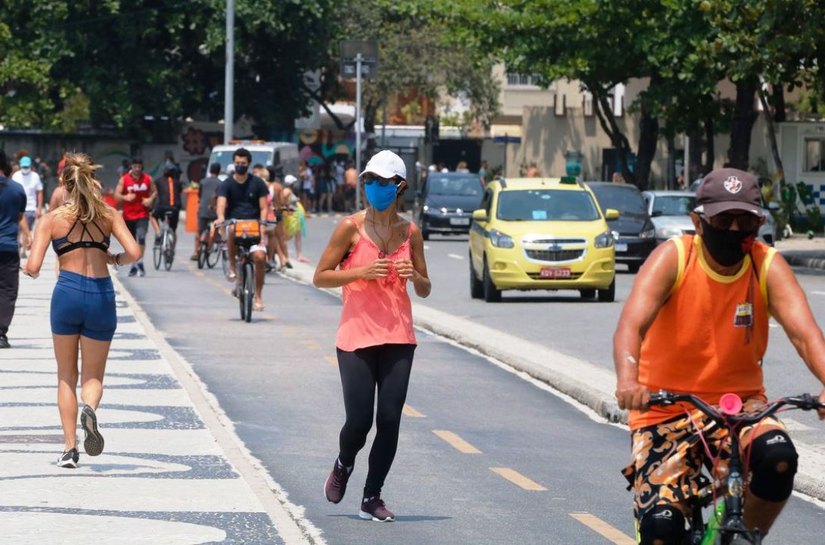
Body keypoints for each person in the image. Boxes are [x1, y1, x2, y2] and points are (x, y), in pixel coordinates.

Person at [613, 168, 825, 545]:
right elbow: (631, 325)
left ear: (759, 222)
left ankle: (742, 539)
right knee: (662, 530)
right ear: (698, 221)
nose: (733, 229)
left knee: (779, 458)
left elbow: (806, 337)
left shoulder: (766, 265)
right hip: (666, 409)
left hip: (741, 408)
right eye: (723, 218)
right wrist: (629, 381)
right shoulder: (674, 257)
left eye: (745, 219)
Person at [314, 149, 431, 522]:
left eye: (382, 182)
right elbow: (321, 276)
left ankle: (372, 496)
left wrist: (416, 277)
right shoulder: (350, 227)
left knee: (391, 419)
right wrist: (361, 271)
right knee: (360, 420)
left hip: (399, 335)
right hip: (356, 336)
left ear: (399, 187)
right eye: (369, 181)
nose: (374, 188)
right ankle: (344, 462)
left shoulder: (411, 232)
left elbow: (426, 288)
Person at [24, 152, 141, 468]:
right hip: (101, 293)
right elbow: (134, 251)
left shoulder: (52, 219)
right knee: (93, 375)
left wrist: (30, 269)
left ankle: (70, 449)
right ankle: (89, 407)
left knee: (65, 375)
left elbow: (34, 266)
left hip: (67, 294)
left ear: (63, 183)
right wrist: (113, 259)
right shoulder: (109, 214)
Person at [214, 148, 269, 311]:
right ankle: (232, 267)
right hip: (235, 224)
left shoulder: (258, 183)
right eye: (237, 163)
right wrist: (220, 217)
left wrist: (263, 225)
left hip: (254, 226)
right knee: (230, 229)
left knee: (260, 257)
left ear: (249, 164)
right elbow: (221, 204)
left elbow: (264, 207)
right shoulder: (226, 184)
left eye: (243, 164)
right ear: (233, 163)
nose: (240, 166)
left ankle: (258, 296)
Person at [0, 149, 30, 349]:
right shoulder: (17, 189)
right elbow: (19, 215)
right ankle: (1, 334)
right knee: (7, 291)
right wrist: (28, 235)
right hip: (8, 247)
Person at [114, 158, 156, 277]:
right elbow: (116, 195)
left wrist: (150, 199)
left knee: (141, 237)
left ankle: (140, 262)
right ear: (131, 167)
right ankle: (134, 264)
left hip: (142, 214)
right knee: (131, 242)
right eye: (135, 166)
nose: (137, 169)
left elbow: (154, 192)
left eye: (139, 166)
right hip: (128, 215)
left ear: (142, 167)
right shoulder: (124, 179)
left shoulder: (148, 178)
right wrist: (125, 197)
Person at [12, 155, 43, 256]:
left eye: (27, 167)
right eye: (23, 167)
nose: (25, 169)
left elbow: (39, 192)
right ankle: (17, 247)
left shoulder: (35, 176)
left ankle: (23, 250)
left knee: (27, 229)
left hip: (30, 207)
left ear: (30, 166)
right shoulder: (16, 175)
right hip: (17, 207)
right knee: (17, 230)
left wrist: (39, 208)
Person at [149, 161, 183, 254]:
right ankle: (172, 250)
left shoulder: (158, 181)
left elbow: (155, 194)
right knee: (173, 230)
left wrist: (150, 205)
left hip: (162, 207)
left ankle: (159, 233)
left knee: (152, 216)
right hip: (175, 208)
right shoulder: (178, 182)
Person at [194, 162, 222, 260]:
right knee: (214, 231)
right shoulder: (221, 183)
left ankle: (196, 251)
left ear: (210, 171)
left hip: (203, 210)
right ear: (219, 171)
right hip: (214, 210)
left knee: (199, 231)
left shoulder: (202, 181)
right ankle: (209, 248)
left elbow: (200, 195)